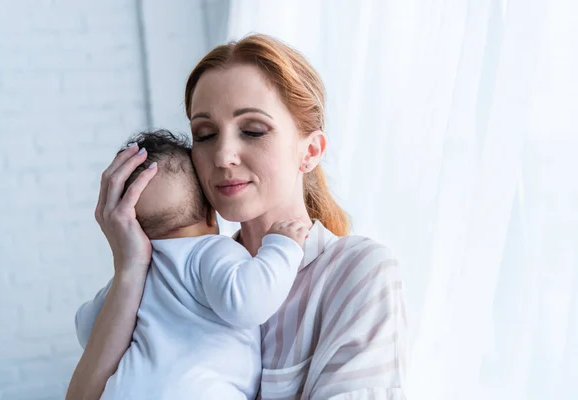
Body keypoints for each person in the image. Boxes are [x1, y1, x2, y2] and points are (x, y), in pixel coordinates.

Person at [67, 33, 407, 400]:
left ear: (310, 151)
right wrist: (130, 268)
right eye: (206, 134)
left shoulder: (358, 273)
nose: (223, 155)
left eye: (253, 130)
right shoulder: (184, 278)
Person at [74, 130, 308, 399]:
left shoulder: (135, 272)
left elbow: (88, 330)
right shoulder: (210, 250)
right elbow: (248, 303)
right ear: (211, 212)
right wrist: (282, 248)